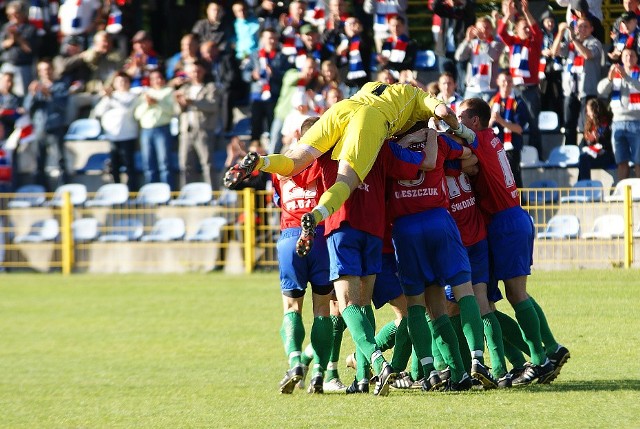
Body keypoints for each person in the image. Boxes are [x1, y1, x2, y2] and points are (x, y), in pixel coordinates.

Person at [224, 81, 473, 258]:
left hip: (342, 107)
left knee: (295, 162)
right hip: (371, 119)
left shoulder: (373, 86)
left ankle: (259, 162)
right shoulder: (418, 96)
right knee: (346, 180)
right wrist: (463, 131)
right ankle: (317, 215)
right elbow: (445, 112)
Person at [455, 97, 556, 385]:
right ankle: (540, 353)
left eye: (462, 116)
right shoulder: (491, 139)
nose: (458, 121)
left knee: (510, 295)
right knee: (495, 299)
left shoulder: (479, 138)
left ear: (474, 121)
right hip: (511, 218)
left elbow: (462, 148)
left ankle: (540, 357)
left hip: (503, 223)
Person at [388, 127, 497, 390]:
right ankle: (475, 361)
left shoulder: (387, 147)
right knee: (464, 291)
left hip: (405, 227)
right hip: (439, 220)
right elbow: (470, 156)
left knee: (420, 305)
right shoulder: (436, 140)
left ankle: (429, 370)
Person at [271, 116, 334, 394]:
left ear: (299, 135)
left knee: (291, 307)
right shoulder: (327, 164)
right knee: (322, 310)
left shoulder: (281, 166)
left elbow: (277, 199)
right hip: (320, 237)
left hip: (290, 236)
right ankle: (319, 373)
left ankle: (295, 361)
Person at [497, 0, 543, 158]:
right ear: (516, 30)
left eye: (528, 28)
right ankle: (516, 151)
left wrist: (526, 13)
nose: (528, 30)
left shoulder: (534, 44)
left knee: (533, 123)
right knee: (513, 120)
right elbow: (501, 32)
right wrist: (508, 14)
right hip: (514, 88)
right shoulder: (513, 42)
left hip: (530, 89)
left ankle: (537, 154)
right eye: (524, 28)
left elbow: (538, 32)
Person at [551, 16, 603, 147]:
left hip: (587, 91)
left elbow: (587, 55)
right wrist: (561, 32)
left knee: (589, 124)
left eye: (586, 26)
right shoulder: (570, 43)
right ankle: (571, 150)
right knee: (569, 124)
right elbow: (554, 52)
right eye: (580, 26)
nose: (582, 29)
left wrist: (574, 40)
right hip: (571, 90)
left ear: (591, 29)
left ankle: (588, 150)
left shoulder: (595, 42)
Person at [23, 59, 70, 189]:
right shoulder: (36, 87)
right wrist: (32, 93)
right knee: (39, 162)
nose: (46, 72)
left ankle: (65, 189)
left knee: (60, 160)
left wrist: (48, 94)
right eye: (42, 70)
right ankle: (42, 190)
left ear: (52, 70)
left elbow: (62, 106)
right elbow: (27, 108)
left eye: (48, 69)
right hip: (40, 129)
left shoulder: (60, 86)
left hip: (55, 128)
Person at [174, 60, 218, 188]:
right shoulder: (184, 89)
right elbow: (178, 111)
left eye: (198, 71)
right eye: (193, 71)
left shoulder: (210, 87)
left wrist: (193, 102)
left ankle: (212, 193)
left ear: (204, 71)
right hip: (186, 130)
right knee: (185, 164)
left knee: (207, 163)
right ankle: (187, 192)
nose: (196, 74)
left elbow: (213, 106)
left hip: (203, 129)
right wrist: (180, 102)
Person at [597, 48, 640, 180]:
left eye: (632, 55)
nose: (629, 58)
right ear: (621, 58)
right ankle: (622, 192)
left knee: (639, 162)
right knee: (621, 161)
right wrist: (609, 79)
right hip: (618, 123)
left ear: (637, 58)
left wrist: (626, 77)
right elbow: (601, 91)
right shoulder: (615, 73)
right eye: (626, 55)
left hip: (636, 122)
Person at [92, 71, 139, 190]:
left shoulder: (134, 96)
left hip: (128, 135)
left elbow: (127, 110)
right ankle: (116, 190)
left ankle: (132, 191)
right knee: (114, 166)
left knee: (129, 165)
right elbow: (98, 111)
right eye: (119, 81)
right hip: (113, 136)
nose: (122, 83)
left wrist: (111, 98)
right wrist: (107, 98)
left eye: (125, 81)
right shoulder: (109, 97)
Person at [242, 28, 288, 143]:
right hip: (257, 95)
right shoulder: (255, 55)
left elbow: (287, 75)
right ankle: (254, 150)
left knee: (272, 126)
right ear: (263, 39)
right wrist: (253, 75)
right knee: (255, 126)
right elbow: (245, 73)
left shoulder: (282, 57)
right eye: (269, 38)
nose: (271, 41)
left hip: (273, 96)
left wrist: (274, 73)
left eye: (274, 38)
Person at [488, 70, 530, 189]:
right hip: (494, 147)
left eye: (509, 81)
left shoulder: (518, 102)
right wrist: (492, 121)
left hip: (511, 148)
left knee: (514, 179)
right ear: (498, 82)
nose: (506, 84)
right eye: (503, 81)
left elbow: (519, 129)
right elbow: (485, 127)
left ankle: (521, 205)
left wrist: (501, 121)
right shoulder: (492, 102)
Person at [134, 70, 174, 189]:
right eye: (154, 78)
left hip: (163, 129)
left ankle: (168, 191)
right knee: (148, 164)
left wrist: (157, 103)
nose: (157, 81)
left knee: (165, 163)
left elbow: (172, 111)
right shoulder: (145, 94)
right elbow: (137, 114)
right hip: (146, 131)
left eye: (159, 78)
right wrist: (147, 104)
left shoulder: (169, 92)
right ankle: (151, 192)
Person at [455, 16, 504, 101]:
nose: (483, 30)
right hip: (472, 88)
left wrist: (483, 41)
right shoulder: (473, 43)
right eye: (480, 28)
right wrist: (467, 39)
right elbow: (459, 57)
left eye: (486, 28)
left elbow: (493, 56)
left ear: (491, 29)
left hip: (489, 89)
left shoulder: (496, 43)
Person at [0, 1, 40, 98]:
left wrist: (18, 37)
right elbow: (2, 44)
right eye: (9, 15)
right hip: (7, 65)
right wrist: (11, 39)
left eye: (15, 14)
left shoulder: (30, 29)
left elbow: (29, 49)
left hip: (23, 67)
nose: (12, 18)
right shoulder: (6, 27)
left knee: (22, 94)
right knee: (4, 92)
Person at [576, 98, 615, 181]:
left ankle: (584, 187)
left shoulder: (608, 123)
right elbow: (584, 144)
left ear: (595, 111)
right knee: (583, 159)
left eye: (589, 111)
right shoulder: (590, 123)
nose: (587, 113)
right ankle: (583, 185)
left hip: (607, 155)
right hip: (593, 155)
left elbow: (611, 144)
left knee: (583, 161)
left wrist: (600, 140)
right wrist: (590, 140)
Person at [335, 17, 372, 98]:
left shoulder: (362, 39)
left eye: (355, 23)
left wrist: (360, 33)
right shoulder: (342, 41)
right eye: (350, 24)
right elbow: (337, 63)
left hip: (363, 83)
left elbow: (367, 47)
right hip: (347, 85)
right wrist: (338, 53)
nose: (353, 26)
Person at [376, 16, 417, 81]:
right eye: (393, 25)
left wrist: (388, 63)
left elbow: (408, 64)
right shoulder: (386, 43)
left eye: (398, 26)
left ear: (403, 26)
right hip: (387, 76)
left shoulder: (410, 43)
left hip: (402, 76)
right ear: (389, 26)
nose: (395, 28)